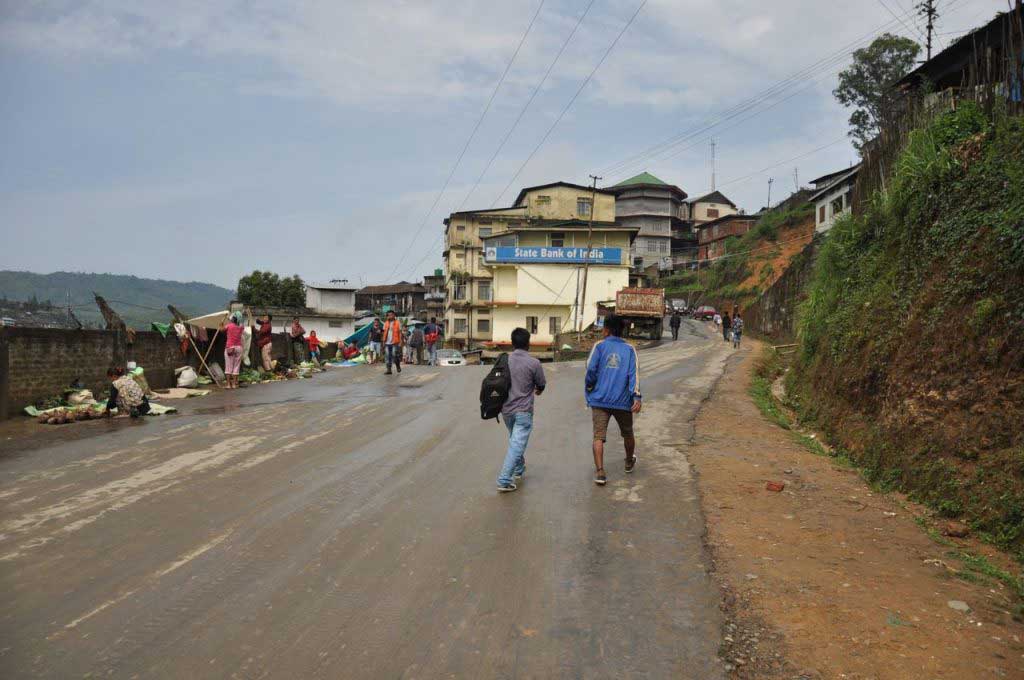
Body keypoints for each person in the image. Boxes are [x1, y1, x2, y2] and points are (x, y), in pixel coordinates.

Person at [585, 314, 641, 486]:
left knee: (598, 436)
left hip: (599, 400)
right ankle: (629, 461)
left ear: (607, 329)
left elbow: (590, 370)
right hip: (623, 401)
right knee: (628, 433)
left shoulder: (599, 346)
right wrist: (636, 396)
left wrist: (590, 388)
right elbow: (634, 374)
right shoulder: (630, 349)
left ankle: (600, 472)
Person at [496, 327, 547, 492]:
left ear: (512, 343)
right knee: (517, 444)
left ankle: (519, 469)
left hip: (506, 411)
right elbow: (541, 385)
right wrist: (537, 390)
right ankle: (504, 480)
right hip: (523, 411)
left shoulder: (504, 361)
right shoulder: (534, 363)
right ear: (528, 344)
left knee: (515, 441)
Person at [223, 312, 245, 389]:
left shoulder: (229, 326)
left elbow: (221, 329)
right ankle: (234, 384)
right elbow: (241, 322)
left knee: (228, 366)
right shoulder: (241, 327)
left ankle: (229, 385)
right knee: (236, 366)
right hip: (239, 348)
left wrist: (221, 324)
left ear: (232, 319)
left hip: (230, 348)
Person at [381, 310, 403, 375]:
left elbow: (400, 333)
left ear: (394, 315)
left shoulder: (398, 323)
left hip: (395, 342)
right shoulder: (386, 323)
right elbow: (383, 333)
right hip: (387, 342)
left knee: (394, 355)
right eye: (388, 315)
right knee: (387, 356)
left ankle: (397, 365)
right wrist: (383, 342)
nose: (390, 316)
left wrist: (400, 342)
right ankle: (389, 369)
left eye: (391, 315)